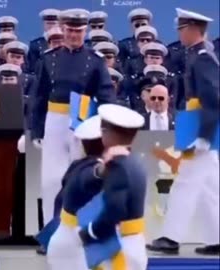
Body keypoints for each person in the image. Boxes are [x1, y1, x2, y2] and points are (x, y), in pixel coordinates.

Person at [30, 8, 115, 225]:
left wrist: (104, 130)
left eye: (78, 31)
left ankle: (81, 227)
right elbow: (39, 97)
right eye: (69, 30)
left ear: (85, 31)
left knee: (82, 175)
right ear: (63, 29)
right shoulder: (49, 59)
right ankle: (52, 229)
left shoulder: (95, 60)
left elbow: (106, 96)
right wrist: (37, 130)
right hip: (54, 118)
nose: (74, 35)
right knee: (51, 179)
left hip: (83, 118)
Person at [147, 8, 219, 256]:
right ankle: (217, 238)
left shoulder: (203, 58)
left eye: (180, 28)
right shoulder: (198, 55)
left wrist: (204, 136)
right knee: (210, 186)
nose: (179, 33)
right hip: (196, 122)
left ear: (191, 29)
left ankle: (170, 237)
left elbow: (213, 101)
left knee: (185, 182)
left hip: (201, 125)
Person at [47, 115, 128, 269]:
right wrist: (102, 171)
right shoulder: (89, 169)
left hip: (70, 241)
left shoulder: (76, 165)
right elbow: (89, 179)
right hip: (76, 248)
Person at [79, 104, 148, 270]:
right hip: (134, 241)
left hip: (120, 247)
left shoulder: (118, 167)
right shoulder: (134, 161)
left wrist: (89, 232)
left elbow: (114, 210)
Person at [27, 9, 60, 73]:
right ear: (44, 24)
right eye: (48, 23)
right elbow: (32, 68)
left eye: (53, 23)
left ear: (59, 24)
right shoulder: (35, 44)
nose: (50, 26)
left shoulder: (65, 42)